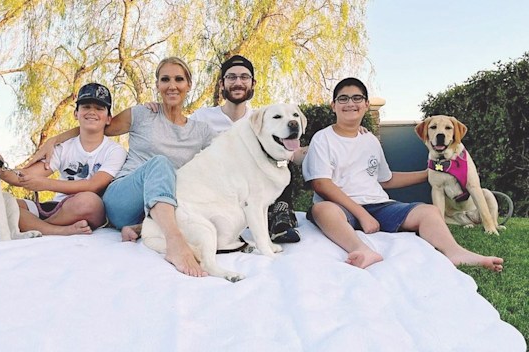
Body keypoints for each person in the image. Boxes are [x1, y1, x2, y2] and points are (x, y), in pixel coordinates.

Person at [27, 57, 216, 277]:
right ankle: (175, 243)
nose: (172, 85)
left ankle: (139, 228)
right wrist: (55, 140)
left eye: (179, 79)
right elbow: (96, 124)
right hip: (123, 198)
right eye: (165, 79)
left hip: (162, 206)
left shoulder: (202, 132)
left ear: (188, 85)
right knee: (161, 163)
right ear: (157, 85)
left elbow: (224, 160)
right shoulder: (142, 114)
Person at [302, 77, 504, 272]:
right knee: (322, 210)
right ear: (333, 105)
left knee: (429, 211)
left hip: (379, 205)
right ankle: (361, 250)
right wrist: (362, 215)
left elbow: (386, 179)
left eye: (356, 98)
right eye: (343, 98)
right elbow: (321, 184)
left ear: (365, 104)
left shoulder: (369, 139)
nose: (350, 103)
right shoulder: (323, 138)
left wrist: (429, 173)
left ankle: (455, 253)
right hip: (342, 208)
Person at [148, 55, 304, 243]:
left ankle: (280, 214)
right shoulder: (203, 117)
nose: (238, 82)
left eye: (244, 77)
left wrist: (317, 148)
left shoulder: (263, 118)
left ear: (253, 83)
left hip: (255, 185)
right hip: (220, 188)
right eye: (231, 77)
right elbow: (177, 143)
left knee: (277, 164)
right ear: (222, 84)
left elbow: (293, 151)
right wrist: (157, 110)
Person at [0, 83, 127, 236]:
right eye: (86, 107)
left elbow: (93, 186)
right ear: (76, 114)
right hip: (56, 207)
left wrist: (45, 184)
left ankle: (36, 225)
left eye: (99, 108)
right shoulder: (63, 147)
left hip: (89, 208)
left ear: (108, 119)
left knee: (88, 201)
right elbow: (25, 177)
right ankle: (57, 230)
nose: (92, 112)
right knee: (4, 204)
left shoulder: (115, 151)